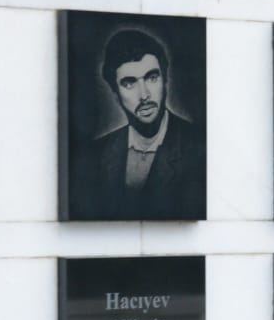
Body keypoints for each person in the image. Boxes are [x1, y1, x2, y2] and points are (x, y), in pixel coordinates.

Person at [75, 29, 205, 220]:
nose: (144, 95)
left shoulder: (200, 148)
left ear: (165, 80)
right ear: (115, 93)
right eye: (129, 83)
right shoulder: (95, 156)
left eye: (152, 78)